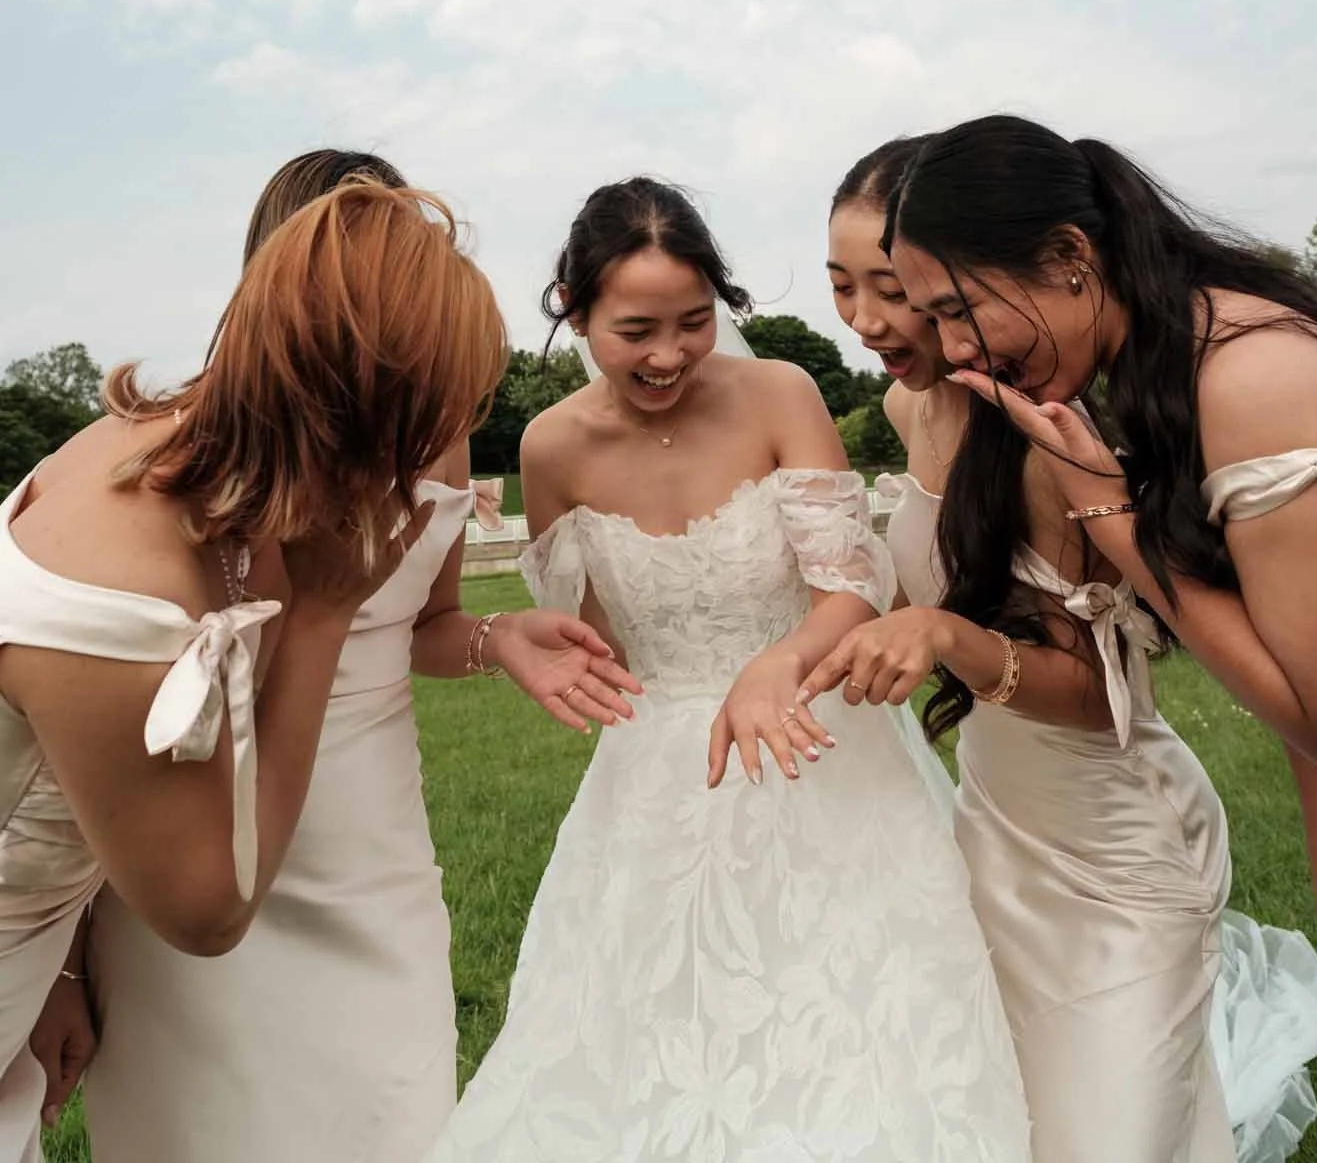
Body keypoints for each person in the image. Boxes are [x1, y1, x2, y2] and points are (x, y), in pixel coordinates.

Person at [72, 149, 640, 1163]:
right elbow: (83, 740)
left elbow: (428, 619)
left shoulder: (442, 432)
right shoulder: (185, 454)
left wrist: (498, 635)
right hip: (199, 846)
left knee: (398, 1119)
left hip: (371, 863)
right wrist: (71, 967)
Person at [450, 177, 1032, 1162]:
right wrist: (544, 655)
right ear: (575, 308)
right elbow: (588, 638)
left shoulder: (780, 394)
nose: (671, 352)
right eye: (636, 329)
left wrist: (782, 657)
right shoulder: (548, 447)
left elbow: (851, 582)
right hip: (659, 785)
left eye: (694, 320)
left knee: (853, 1027)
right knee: (656, 1051)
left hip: (817, 739)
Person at [809, 138, 1317, 1163]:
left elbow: (1099, 696)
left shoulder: (1056, 432)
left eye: (900, 290)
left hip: (1115, 851)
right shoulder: (907, 407)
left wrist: (947, 634)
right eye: (843, 287)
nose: (872, 320)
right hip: (992, 833)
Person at [0, 178, 505, 1163]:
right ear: (363, 415)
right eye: (421, 428)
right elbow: (211, 909)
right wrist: (320, 614)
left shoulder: (170, 456)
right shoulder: (123, 591)